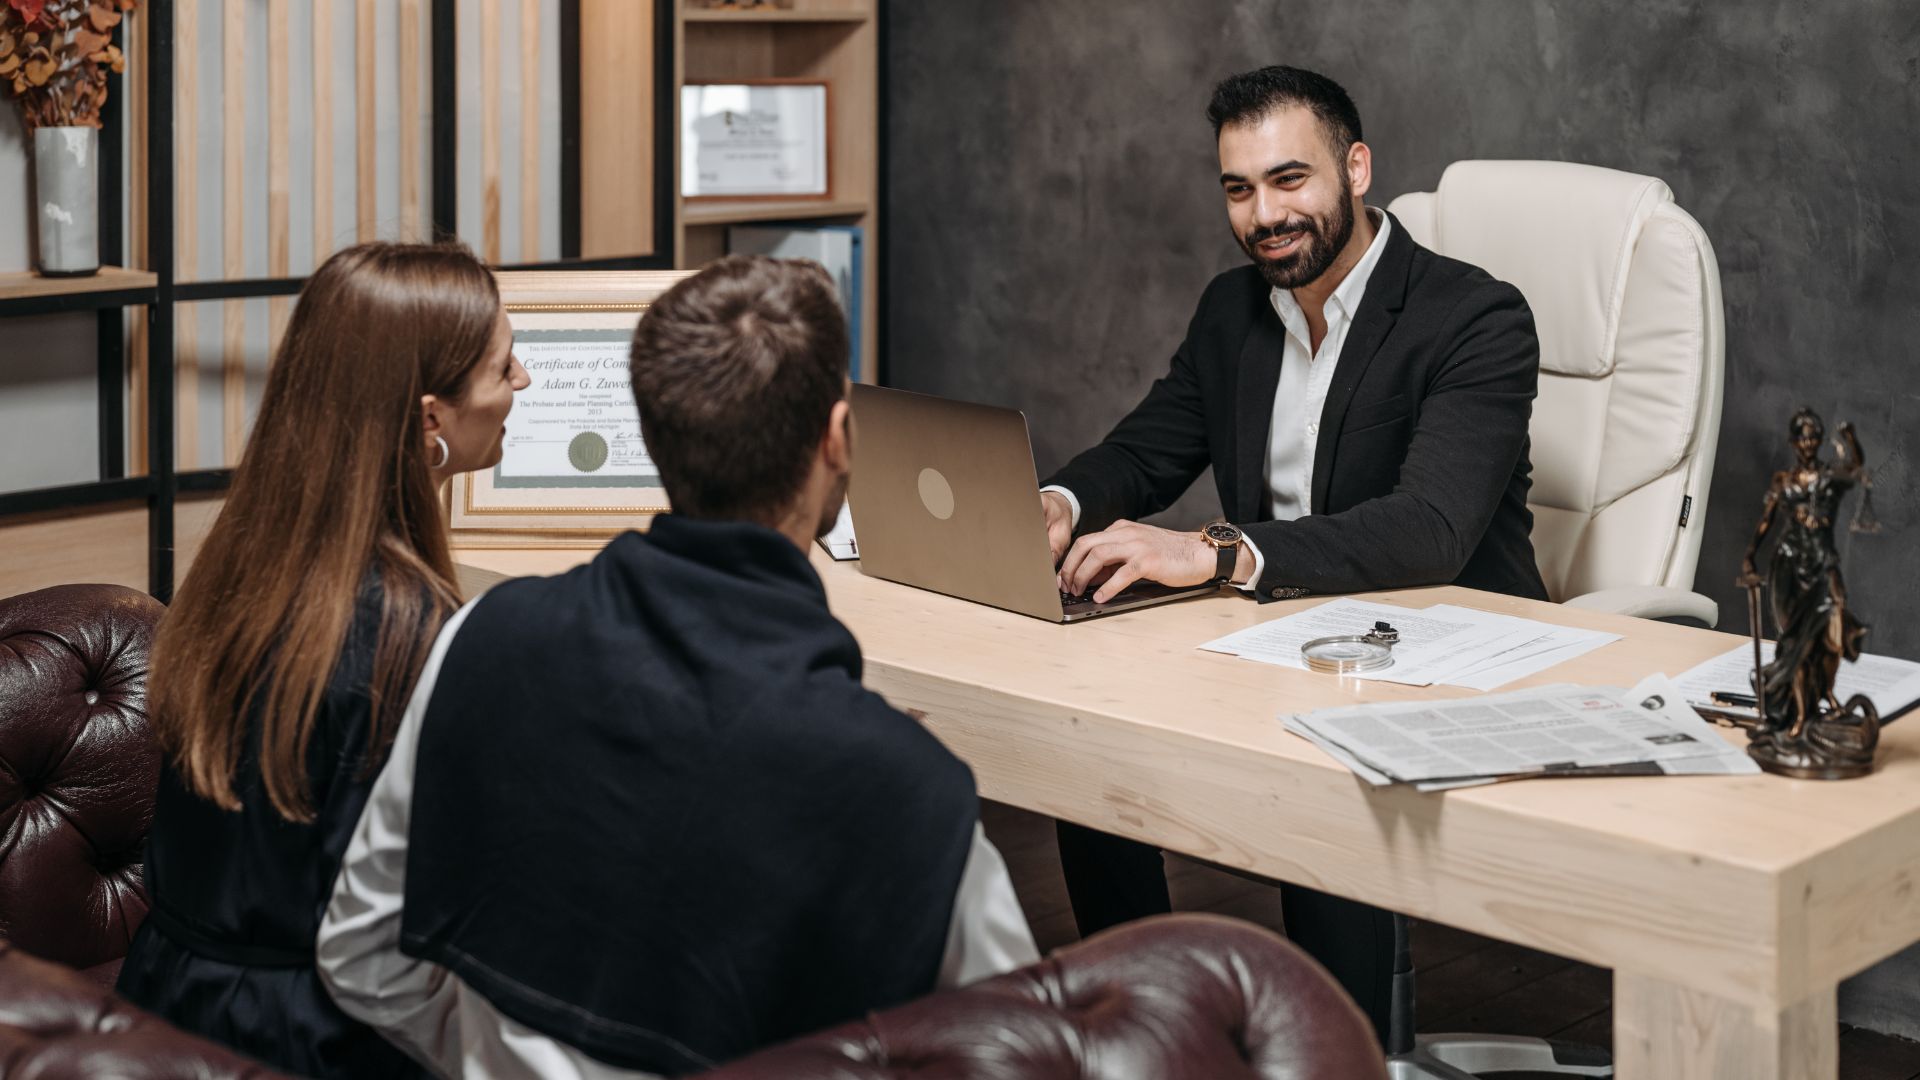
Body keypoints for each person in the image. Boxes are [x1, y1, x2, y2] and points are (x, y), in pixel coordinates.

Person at [318, 255, 1038, 1078]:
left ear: (656, 439)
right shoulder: (909, 789)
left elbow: (359, 957)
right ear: (839, 438)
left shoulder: (479, 638)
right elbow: (1017, 1055)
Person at [1040, 65, 1547, 1040]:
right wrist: (1054, 504)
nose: (1265, 214)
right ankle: (1148, 1028)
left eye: (1289, 179)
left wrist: (1217, 551)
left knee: (1323, 765)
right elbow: (1143, 453)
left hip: (1444, 647)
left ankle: (1334, 1050)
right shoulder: (1232, 312)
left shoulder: (1473, 317)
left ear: (1356, 168)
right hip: (1282, 636)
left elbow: (1430, 528)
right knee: (1090, 741)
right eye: (1238, 189)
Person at [117, 241, 530, 1077]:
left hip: (161, 1005)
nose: (522, 381)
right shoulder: (411, 632)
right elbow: (413, 929)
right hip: (315, 1039)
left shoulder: (240, 566)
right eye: (503, 367)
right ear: (429, 421)